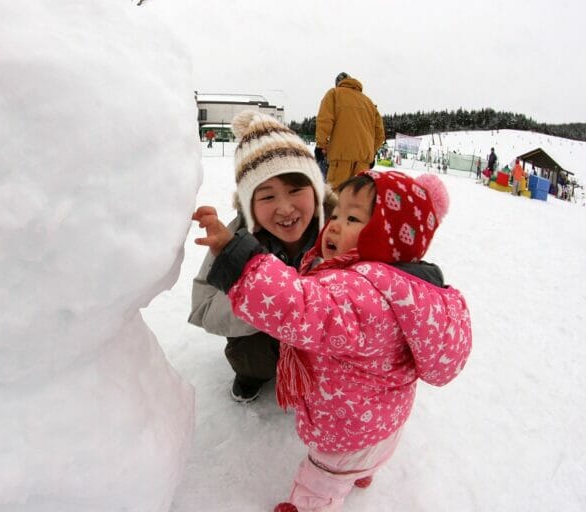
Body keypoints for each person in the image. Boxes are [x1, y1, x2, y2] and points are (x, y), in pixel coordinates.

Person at [192, 170, 472, 512]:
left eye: (353, 218)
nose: (335, 224)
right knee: (364, 457)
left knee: (320, 480)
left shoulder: (360, 295)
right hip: (384, 424)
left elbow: (298, 304)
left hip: (346, 432)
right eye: (337, 213)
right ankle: (362, 471)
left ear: (392, 238)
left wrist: (236, 255)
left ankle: (313, 503)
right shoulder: (406, 289)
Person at [188, 110, 330, 403]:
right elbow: (202, 311)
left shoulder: (340, 233)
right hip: (261, 344)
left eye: (296, 189)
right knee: (249, 355)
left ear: (316, 191)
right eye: (267, 196)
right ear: (249, 205)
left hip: (324, 343)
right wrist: (242, 272)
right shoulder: (235, 238)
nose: (286, 208)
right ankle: (253, 373)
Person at [315, 72, 385, 191]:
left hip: (340, 158)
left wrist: (321, 145)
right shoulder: (369, 103)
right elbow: (380, 134)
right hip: (363, 162)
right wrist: (371, 153)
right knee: (359, 198)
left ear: (338, 83)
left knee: (336, 197)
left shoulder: (334, 94)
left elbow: (325, 121)